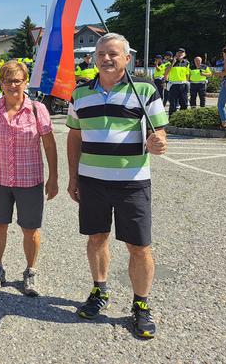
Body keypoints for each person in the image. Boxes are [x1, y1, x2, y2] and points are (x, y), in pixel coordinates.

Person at [66, 33, 168, 339]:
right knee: (96, 238)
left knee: (139, 246)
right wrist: (73, 177)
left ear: (126, 58)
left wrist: (159, 142)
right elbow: (74, 137)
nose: (106, 59)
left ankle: (141, 305)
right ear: (94, 59)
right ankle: (100, 290)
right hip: (92, 181)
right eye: (100, 54)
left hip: (132, 184)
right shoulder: (80, 93)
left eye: (113, 54)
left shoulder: (144, 90)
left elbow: (159, 131)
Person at [0, 60, 58, 296]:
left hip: (30, 180)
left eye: (17, 80)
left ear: (25, 82)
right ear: (1, 83)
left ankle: (30, 272)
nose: (12, 85)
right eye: (7, 80)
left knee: (31, 229)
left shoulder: (38, 109)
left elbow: (49, 143)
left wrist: (54, 176)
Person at [164, 48, 190, 115]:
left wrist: (187, 82)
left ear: (185, 54)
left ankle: (181, 120)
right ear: (176, 54)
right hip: (174, 85)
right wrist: (173, 63)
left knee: (184, 104)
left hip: (184, 85)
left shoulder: (187, 63)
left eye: (182, 53)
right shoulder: (169, 62)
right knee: (173, 104)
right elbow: (165, 73)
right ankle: (171, 120)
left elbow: (187, 75)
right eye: (178, 52)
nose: (180, 54)